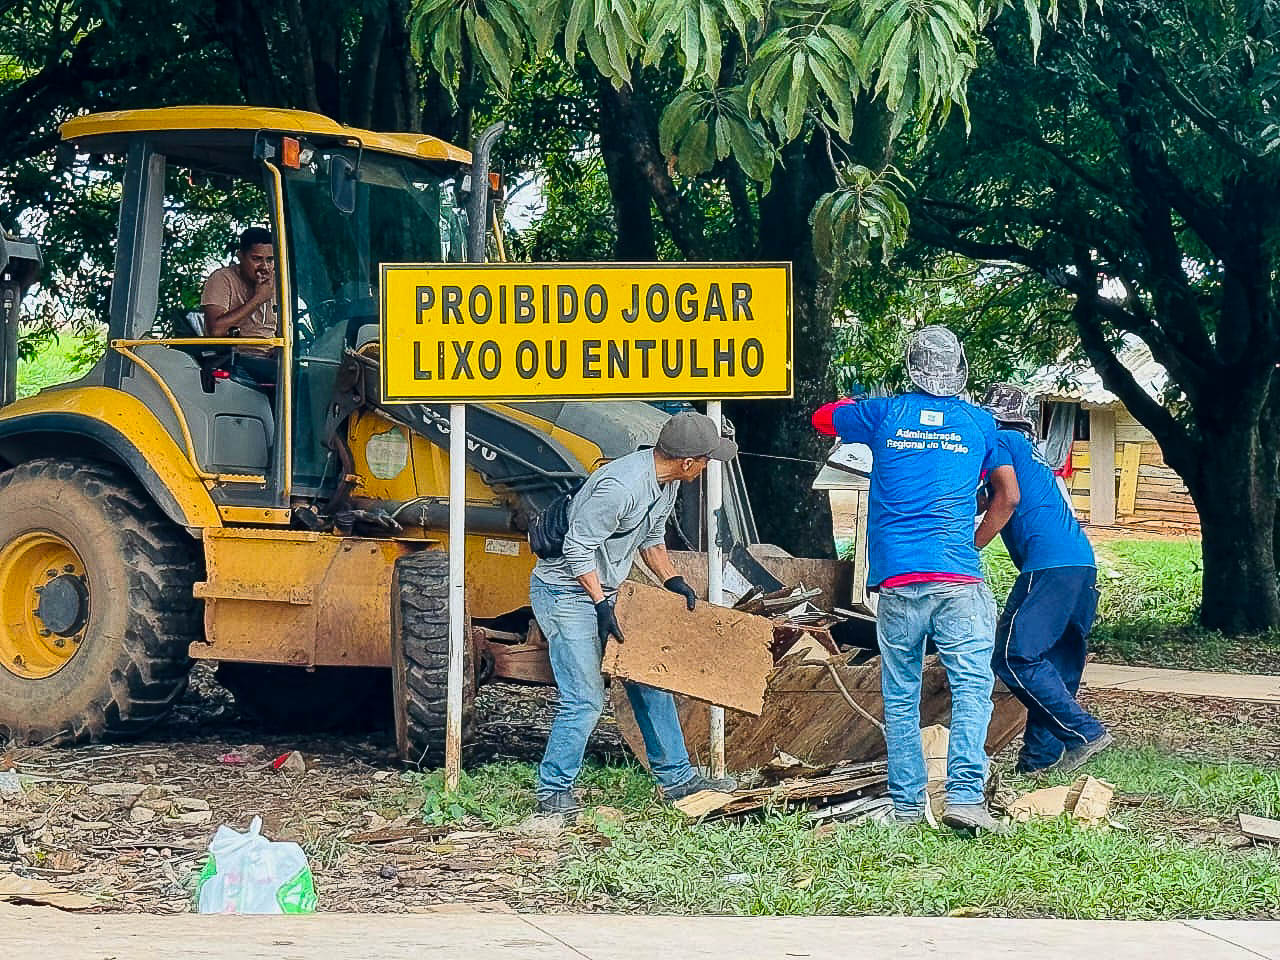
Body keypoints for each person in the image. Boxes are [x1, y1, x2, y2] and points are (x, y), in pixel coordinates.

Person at [812, 326, 1019, 834]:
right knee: (972, 688)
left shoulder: (884, 413)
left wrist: (863, 399)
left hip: (898, 581)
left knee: (900, 693)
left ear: (912, 367)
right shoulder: (980, 423)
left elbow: (822, 418)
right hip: (958, 579)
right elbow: (1008, 497)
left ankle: (907, 809)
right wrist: (972, 544)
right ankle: (965, 799)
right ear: (960, 370)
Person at [530, 411, 740, 816]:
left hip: (605, 591)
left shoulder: (666, 485)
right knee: (585, 700)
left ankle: (678, 780)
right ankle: (553, 791)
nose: (707, 466)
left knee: (649, 678)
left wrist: (672, 580)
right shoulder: (620, 487)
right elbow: (577, 548)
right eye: (706, 459)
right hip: (565, 592)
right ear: (687, 462)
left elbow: (652, 538)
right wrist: (600, 603)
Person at [981, 383, 1113, 776]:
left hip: (1049, 566)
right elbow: (996, 497)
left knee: (1012, 654)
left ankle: (1085, 733)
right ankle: (1037, 763)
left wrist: (969, 547)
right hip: (1081, 566)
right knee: (1054, 667)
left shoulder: (1000, 441)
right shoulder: (1032, 453)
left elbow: (1008, 499)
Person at [201, 227, 278, 382]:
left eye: (270, 260)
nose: (264, 267)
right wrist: (258, 299)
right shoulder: (222, 279)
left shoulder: (278, 281)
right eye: (256, 259)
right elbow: (215, 331)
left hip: (272, 358)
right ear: (240, 256)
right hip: (236, 359)